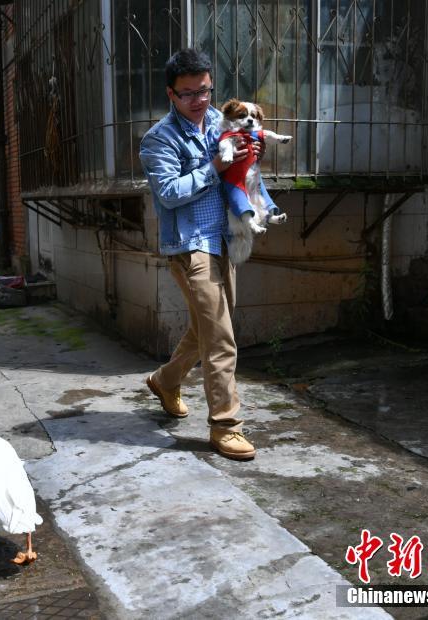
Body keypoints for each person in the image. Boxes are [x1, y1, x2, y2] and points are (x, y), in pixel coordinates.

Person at [139, 48, 262, 461]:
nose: (199, 100)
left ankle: (165, 380)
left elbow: (242, 165)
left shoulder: (221, 121)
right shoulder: (159, 139)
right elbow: (169, 193)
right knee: (221, 337)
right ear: (171, 94)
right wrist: (214, 167)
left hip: (226, 239)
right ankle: (225, 426)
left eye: (205, 90)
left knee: (206, 328)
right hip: (191, 246)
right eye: (188, 93)